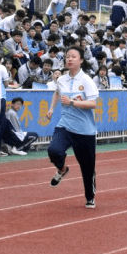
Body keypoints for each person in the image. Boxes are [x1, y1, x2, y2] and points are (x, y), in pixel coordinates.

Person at [46, 47, 100, 209]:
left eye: (73, 57)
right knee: (54, 150)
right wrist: (51, 108)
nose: (69, 59)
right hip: (65, 126)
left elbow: (93, 104)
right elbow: (57, 92)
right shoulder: (61, 79)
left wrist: (72, 102)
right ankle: (62, 169)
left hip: (85, 131)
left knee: (87, 168)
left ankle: (90, 197)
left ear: (81, 60)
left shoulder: (86, 81)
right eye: (68, 56)